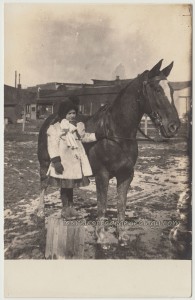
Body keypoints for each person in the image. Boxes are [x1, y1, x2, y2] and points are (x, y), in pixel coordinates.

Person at [46, 100, 97, 219]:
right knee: (64, 187)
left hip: (74, 162)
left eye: (74, 113)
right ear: (64, 114)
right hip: (63, 161)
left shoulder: (78, 126)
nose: (72, 116)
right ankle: (65, 208)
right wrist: (56, 160)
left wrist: (96, 135)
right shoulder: (56, 128)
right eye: (69, 113)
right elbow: (52, 144)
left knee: (71, 186)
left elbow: (84, 137)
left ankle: (71, 207)